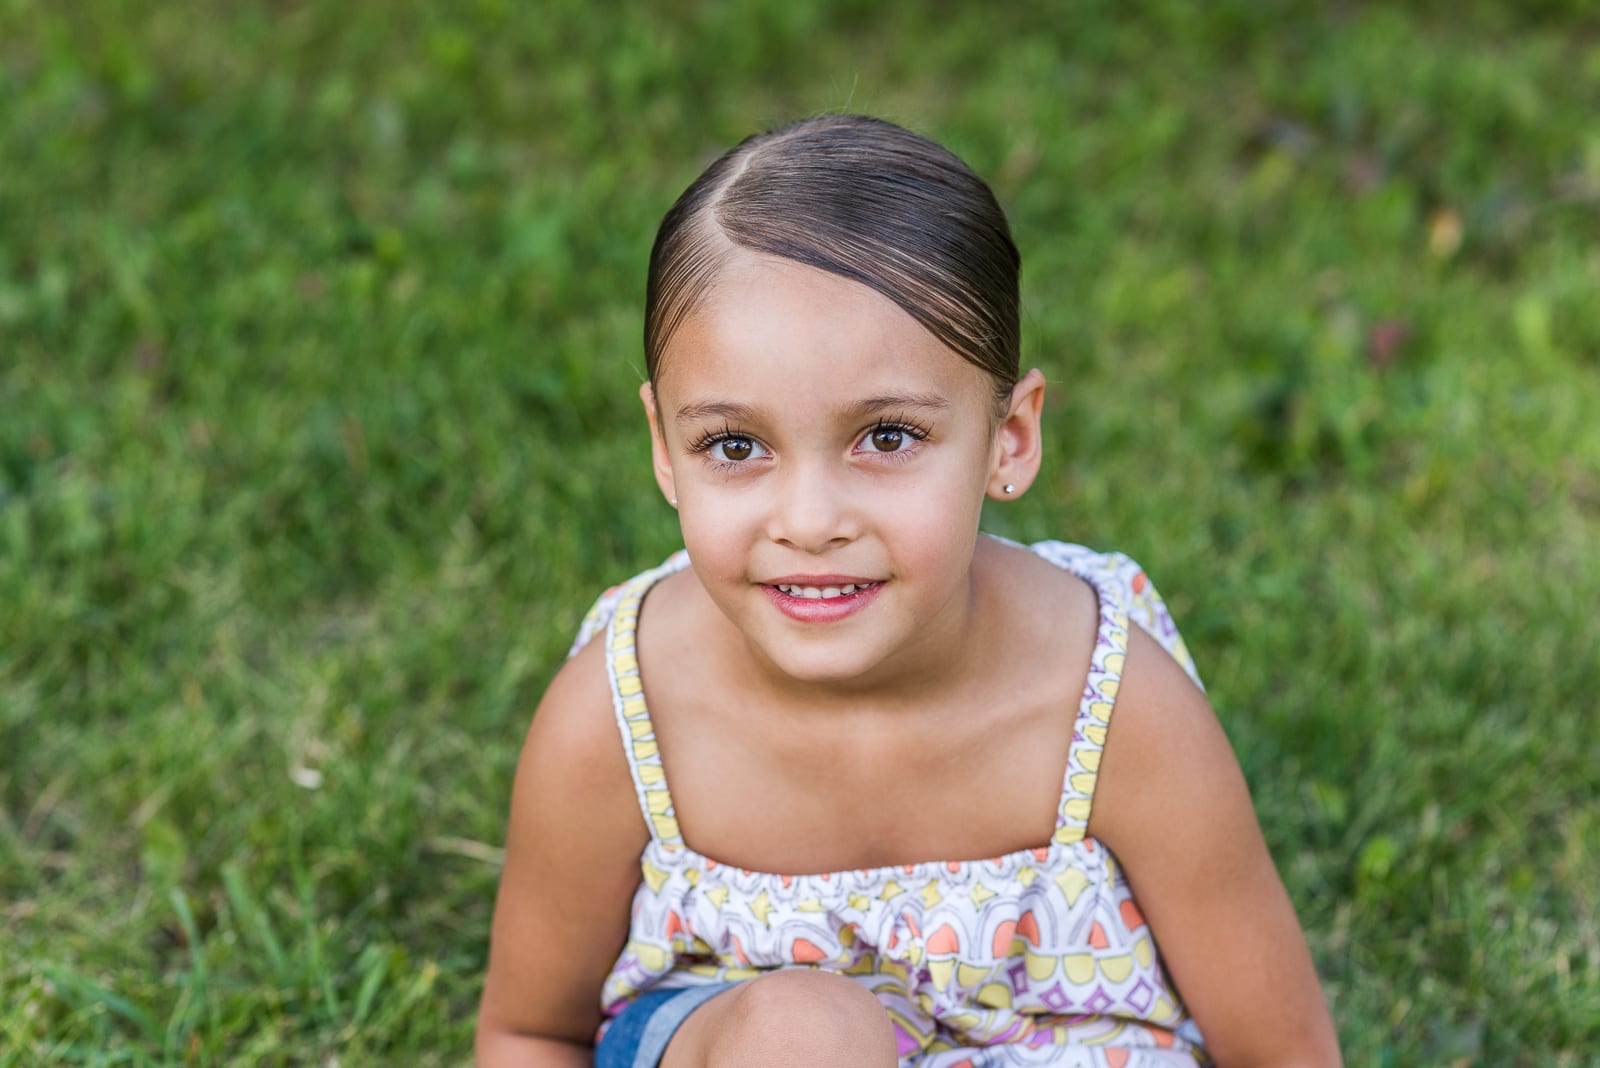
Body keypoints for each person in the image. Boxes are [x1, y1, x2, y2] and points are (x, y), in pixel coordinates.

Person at [476, 114, 1341, 1068]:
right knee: (808, 1036)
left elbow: (1282, 1052)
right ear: (663, 448)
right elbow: (531, 1032)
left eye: (886, 437)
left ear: (1009, 438)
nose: (809, 521)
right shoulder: (624, 709)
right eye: (735, 445)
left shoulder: (1111, 708)